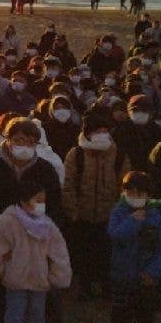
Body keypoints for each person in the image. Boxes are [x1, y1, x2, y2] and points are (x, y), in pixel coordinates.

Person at [0, 178, 72, 323]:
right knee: (15, 312)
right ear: (24, 200)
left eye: (43, 200)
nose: (41, 204)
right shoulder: (7, 221)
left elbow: (59, 252)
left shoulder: (47, 224)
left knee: (36, 314)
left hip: (39, 279)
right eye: (37, 200)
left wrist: (59, 275)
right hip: (16, 278)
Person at [63, 110, 131, 297]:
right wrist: (73, 212)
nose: (102, 134)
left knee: (107, 254)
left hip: (109, 216)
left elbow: (124, 186)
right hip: (82, 216)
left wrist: (120, 213)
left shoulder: (119, 155)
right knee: (84, 253)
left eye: (105, 130)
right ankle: (85, 287)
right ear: (88, 132)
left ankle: (106, 286)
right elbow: (68, 185)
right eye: (97, 130)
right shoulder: (76, 154)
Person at [108, 171, 161, 323]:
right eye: (132, 193)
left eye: (140, 194)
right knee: (121, 311)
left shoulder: (155, 215)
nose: (136, 197)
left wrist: (153, 272)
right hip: (123, 273)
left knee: (146, 313)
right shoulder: (119, 211)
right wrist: (133, 221)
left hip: (147, 275)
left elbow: (160, 248)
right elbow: (115, 235)